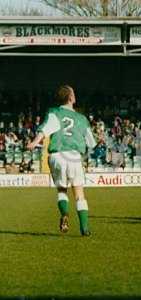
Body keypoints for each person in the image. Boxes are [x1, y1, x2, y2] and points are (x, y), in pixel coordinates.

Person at [27, 85, 96, 236]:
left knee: (62, 190)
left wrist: (34, 142)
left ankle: (64, 214)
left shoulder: (54, 112)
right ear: (71, 98)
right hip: (74, 156)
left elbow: (45, 130)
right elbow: (91, 143)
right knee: (79, 194)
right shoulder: (81, 118)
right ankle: (84, 228)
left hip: (57, 156)